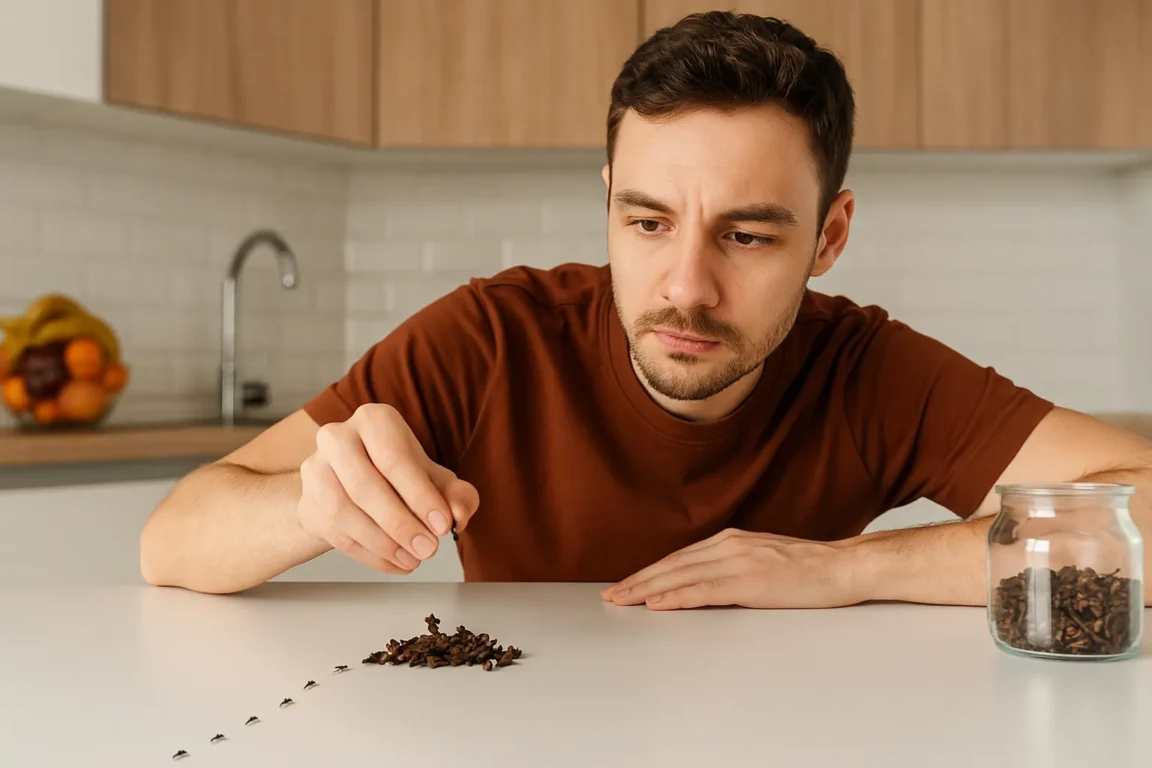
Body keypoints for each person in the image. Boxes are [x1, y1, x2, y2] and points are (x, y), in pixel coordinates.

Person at [139, 11, 1152, 609]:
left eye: (749, 237)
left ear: (830, 236)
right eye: (649, 221)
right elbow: (171, 539)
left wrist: (845, 571)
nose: (685, 288)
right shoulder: (492, 340)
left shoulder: (870, 372)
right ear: (609, 200)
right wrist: (303, 503)